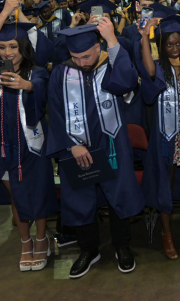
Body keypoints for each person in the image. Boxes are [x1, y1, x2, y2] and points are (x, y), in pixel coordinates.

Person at [46, 21, 145, 278]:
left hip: (112, 143)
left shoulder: (111, 65)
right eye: (75, 57)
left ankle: (122, 247)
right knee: (80, 199)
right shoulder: (61, 73)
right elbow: (55, 113)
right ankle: (89, 250)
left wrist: (113, 40)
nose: (81, 62)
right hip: (76, 146)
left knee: (118, 196)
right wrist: (72, 145)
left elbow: (127, 82)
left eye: (86, 56)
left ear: (98, 47)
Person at [0, 0, 57, 272]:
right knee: (17, 198)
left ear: (24, 48)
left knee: (37, 194)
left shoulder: (36, 73)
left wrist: (26, 86)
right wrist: (5, 12)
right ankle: (25, 242)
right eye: (3, 47)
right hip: (1, 148)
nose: (8, 52)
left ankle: (42, 240)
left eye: (13, 46)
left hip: (31, 146)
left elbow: (39, 90)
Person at [136, 13, 180, 260]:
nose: (174, 49)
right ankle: (167, 234)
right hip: (166, 135)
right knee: (165, 185)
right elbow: (147, 67)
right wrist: (145, 36)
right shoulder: (160, 69)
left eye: (178, 43)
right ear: (162, 46)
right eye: (169, 45)